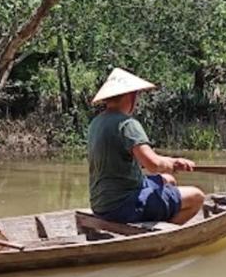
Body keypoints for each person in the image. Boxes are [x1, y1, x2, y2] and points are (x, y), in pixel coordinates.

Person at [87, 68, 205, 225]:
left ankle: (158, 216)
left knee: (168, 180)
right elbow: (153, 164)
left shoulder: (96, 123)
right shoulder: (128, 124)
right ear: (131, 96)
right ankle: (164, 236)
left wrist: (173, 161)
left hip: (100, 204)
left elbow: (144, 158)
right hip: (123, 205)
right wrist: (170, 164)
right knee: (197, 196)